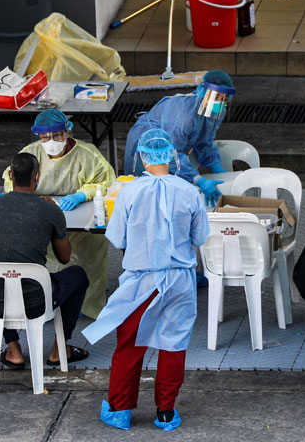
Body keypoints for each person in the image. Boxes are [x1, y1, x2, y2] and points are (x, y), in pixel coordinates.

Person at [83, 128, 209, 432]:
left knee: (129, 344)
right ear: (172, 156)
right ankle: (166, 412)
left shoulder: (129, 191)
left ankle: (119, 409)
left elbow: (116, 237)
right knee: (173, 345)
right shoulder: (190, 192)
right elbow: (200, 237)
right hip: (180, 281)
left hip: (141, 282)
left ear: (142, 156)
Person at [0, 153, 90, 369]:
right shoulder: (50, 210)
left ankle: (13, 351)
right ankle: (60, 348)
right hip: (37, 302)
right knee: (78, 275)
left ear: (10, 175)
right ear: (37, 177)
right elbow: (64, 258)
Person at [2, 109, 115, 319]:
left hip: (83, 218)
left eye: (57, 135)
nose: (51, 141)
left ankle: (86, 305)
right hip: (42, 218)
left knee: (89, 261)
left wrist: (82, 194)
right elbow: (12, 183)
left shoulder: (87, 154)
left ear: (67, 131)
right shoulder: (30, 153)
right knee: (45, 261)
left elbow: (106, 181)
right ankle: (47, 305)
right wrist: (35, 201)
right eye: (45, 137)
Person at [123, 70, 235, 207]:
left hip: (168, 144)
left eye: (224, 99)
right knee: (146, 195)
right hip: (148, 144)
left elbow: (204, 140)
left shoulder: (216, 111)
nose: (220, 102)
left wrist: (215, 165)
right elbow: (170, 152)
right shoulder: (184, 117)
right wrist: (197, 179)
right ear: (203, 92)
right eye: (216, 97)